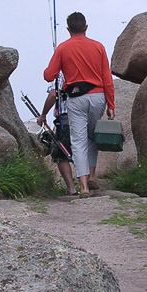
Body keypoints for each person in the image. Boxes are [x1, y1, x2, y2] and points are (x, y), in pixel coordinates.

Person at [44, 11, 115, 198]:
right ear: (86, 28)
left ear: (68, 29)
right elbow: (107, 77)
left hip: (76, 98)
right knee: (93, 137)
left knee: (78, 141)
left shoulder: (63, 48)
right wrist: (111, 104)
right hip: (98, 96)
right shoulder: (98, 47)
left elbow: (49, 76)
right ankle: (92, 175)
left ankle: (83, 187)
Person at [36, 81, 77, 195]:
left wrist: (43, 114)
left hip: (66, 118)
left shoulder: (60, 73)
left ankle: (72, 189)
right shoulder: (82, 69)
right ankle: (87, 187)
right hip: (84, 115)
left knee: (61, 154)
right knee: (83, 151)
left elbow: (53, 95)